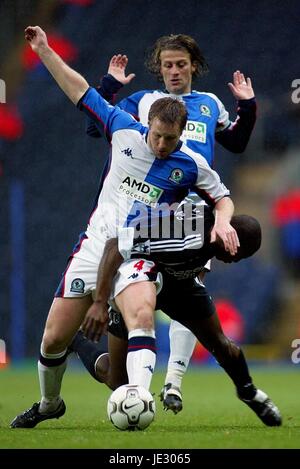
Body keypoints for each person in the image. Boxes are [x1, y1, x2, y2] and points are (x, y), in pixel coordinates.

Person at [10, 25, 238, 428]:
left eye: (170, 139)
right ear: (145, 124)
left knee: (143, 318)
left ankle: (138, 397)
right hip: (96, 245)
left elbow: (222, 196)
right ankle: (49, 404)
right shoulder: (122, 129)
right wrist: (45, 51)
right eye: (157, 136)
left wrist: (222, 223)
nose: (162, 145)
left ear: (181, 134)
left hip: (139, 255)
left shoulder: (189, 165)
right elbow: (79, 90)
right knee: (53, 340)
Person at [83, 34, 257, 413]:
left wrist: (248, 107)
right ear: (158, 68)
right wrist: (110, 86)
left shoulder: (210, 105)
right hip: (148, 217)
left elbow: (236, 142)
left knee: (190, 292)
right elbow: (99, 127)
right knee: (120, 366)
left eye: (181, 64)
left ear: (194, 65)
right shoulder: (144, 102)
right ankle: (94, 346)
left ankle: (173, 383)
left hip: (195, 220)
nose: (174, 71)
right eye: (167, 65)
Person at [69, 205, 282, 427]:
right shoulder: (186, 226)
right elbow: (114, 246)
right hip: (140, 282)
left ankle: (249, 392)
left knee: (221, 344)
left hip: (181, 287)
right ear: (229, 235)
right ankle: (77, 341)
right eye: (239, 252)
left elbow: (188, 318)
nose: (236, 260)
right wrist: (101, 301)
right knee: (117, 380)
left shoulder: (212, 243)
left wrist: (173, 380)